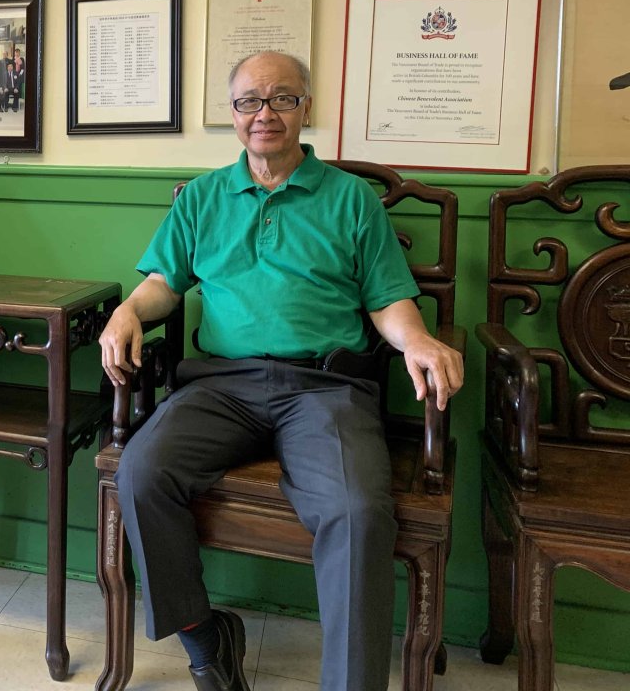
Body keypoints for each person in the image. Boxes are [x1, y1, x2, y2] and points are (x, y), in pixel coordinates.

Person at [97, 51, 463, 691]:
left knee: (356, 510)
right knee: (141, 470)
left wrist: (419, 342)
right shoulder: (204, 196)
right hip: (219, 384)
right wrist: (129, 310)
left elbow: (386, 298)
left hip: (325, 390)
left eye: (282, 99)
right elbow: (164, 282)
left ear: (306, 108)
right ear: (232, 113)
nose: (264, 114)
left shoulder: (351, 200)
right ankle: (207, 639)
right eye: (249, 102)